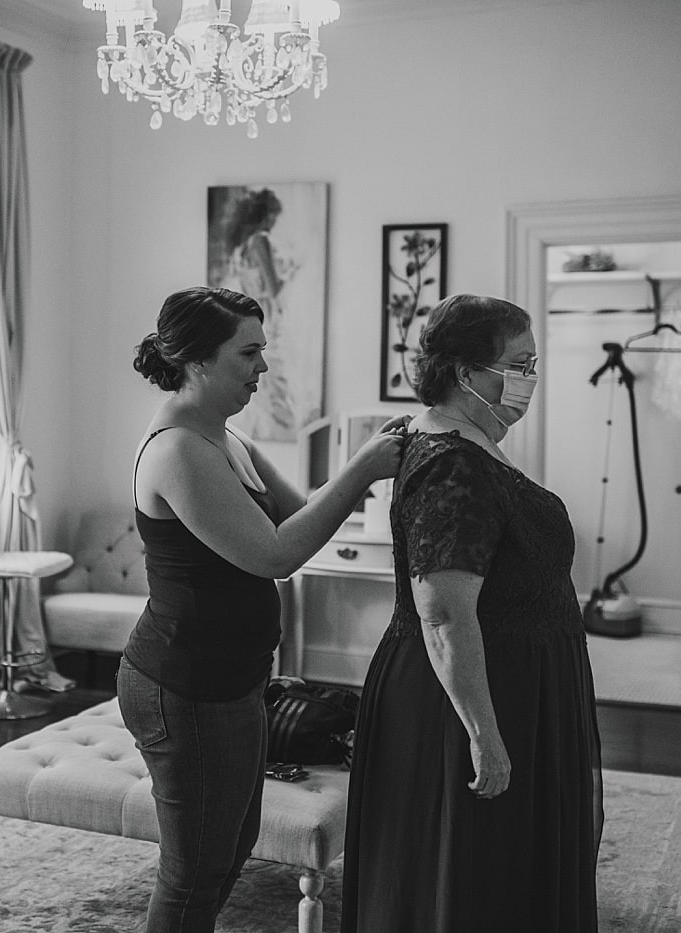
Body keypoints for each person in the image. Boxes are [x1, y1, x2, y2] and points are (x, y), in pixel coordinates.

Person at [121, 285, 406, 933]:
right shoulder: (178, 450)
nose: (263, 366)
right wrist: (362, 468)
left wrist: (364, 473)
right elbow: (276, 554)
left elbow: (301, 513)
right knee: (194, 871)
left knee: (229, 849)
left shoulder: (229, 439)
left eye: (262, 350)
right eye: (247, 353)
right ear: (197, 359)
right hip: (184, 685)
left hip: (235, 681)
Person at [341, 294, 605, 932]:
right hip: (468, 699)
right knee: (474, 875)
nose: (530, 378)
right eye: (518, 364)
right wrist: (484, 735)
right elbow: (443, 615)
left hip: (513, 684)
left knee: (506, 869)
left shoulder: (472, 442)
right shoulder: (452, 464)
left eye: (533, 363)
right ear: (465, 373)